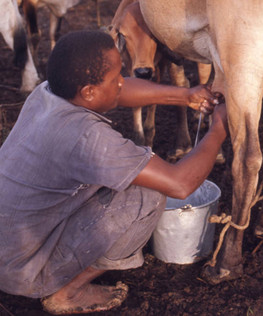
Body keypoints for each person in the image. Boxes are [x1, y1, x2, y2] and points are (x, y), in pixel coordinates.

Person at [0, 30, 228, 315]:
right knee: (147, 195)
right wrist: (218, 130)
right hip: (24, 270)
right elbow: (179, 184)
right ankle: (66, 293)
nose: (122, 82)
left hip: (7, 246)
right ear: (89, 92)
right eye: (116, 77)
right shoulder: (87, 138)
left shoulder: (47, 94)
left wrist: (185, 96)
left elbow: (120, 91)